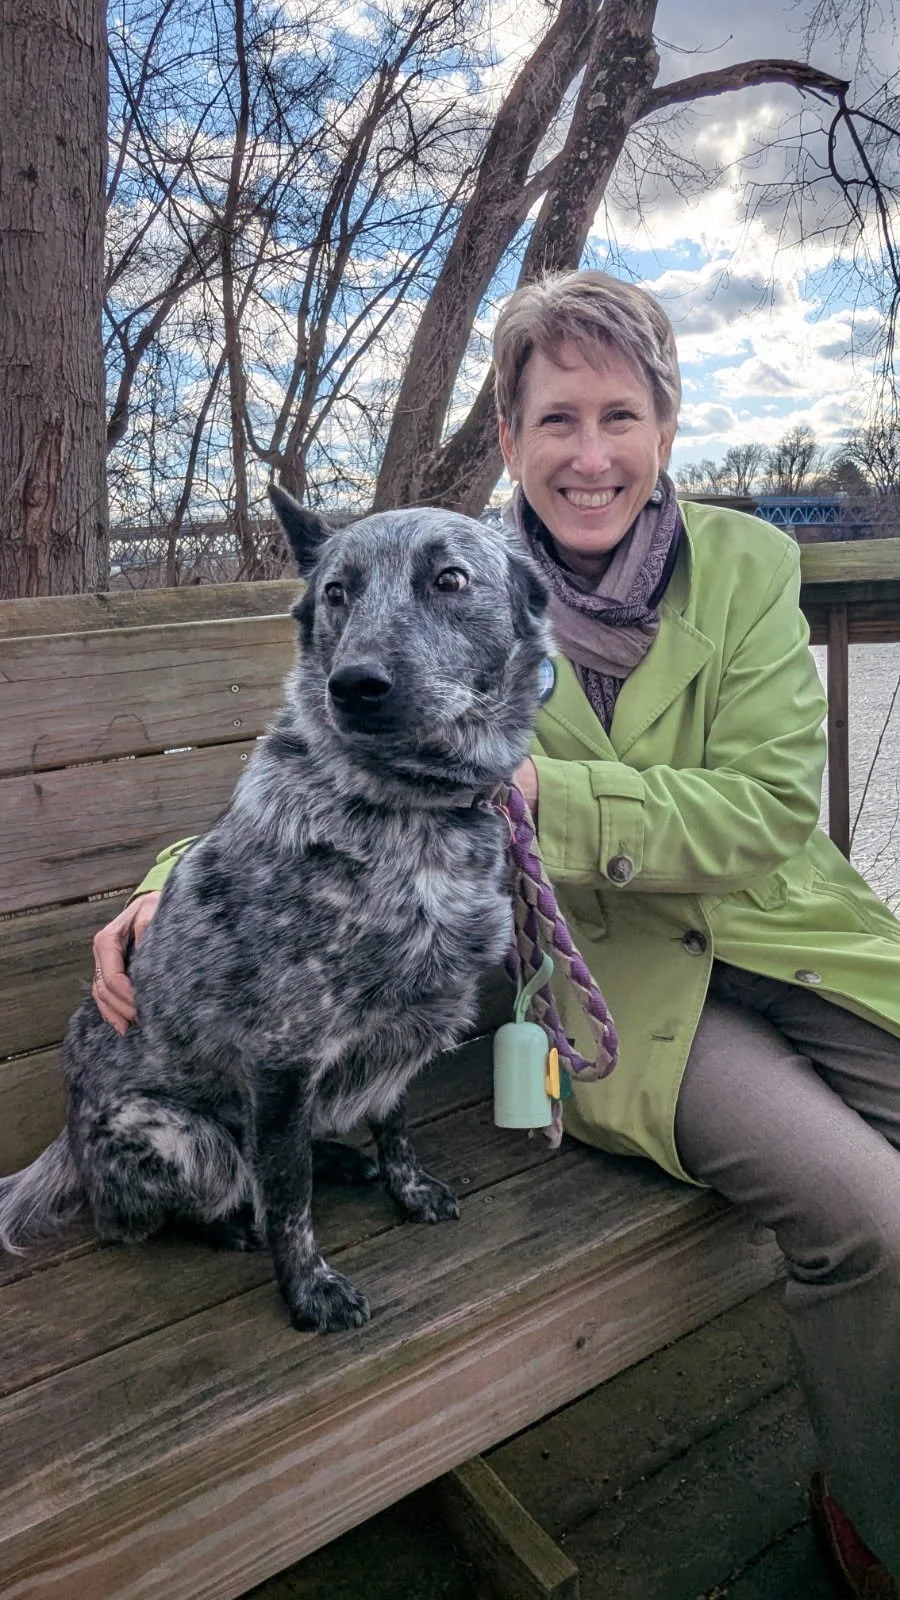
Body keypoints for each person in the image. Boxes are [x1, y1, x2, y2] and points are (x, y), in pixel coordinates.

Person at [92, 270, 900, 1599]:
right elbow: (308, 763)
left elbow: (765, 811)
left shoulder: (748, 564)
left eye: (621, 417)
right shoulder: (441, 573)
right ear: (511, 440)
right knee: (872, 1222)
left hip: (795, 933)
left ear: (665, 428)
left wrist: (535, 787)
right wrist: (167, 883)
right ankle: (875, 1511)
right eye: (557, 420)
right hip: (621, 991)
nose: (592, 454)